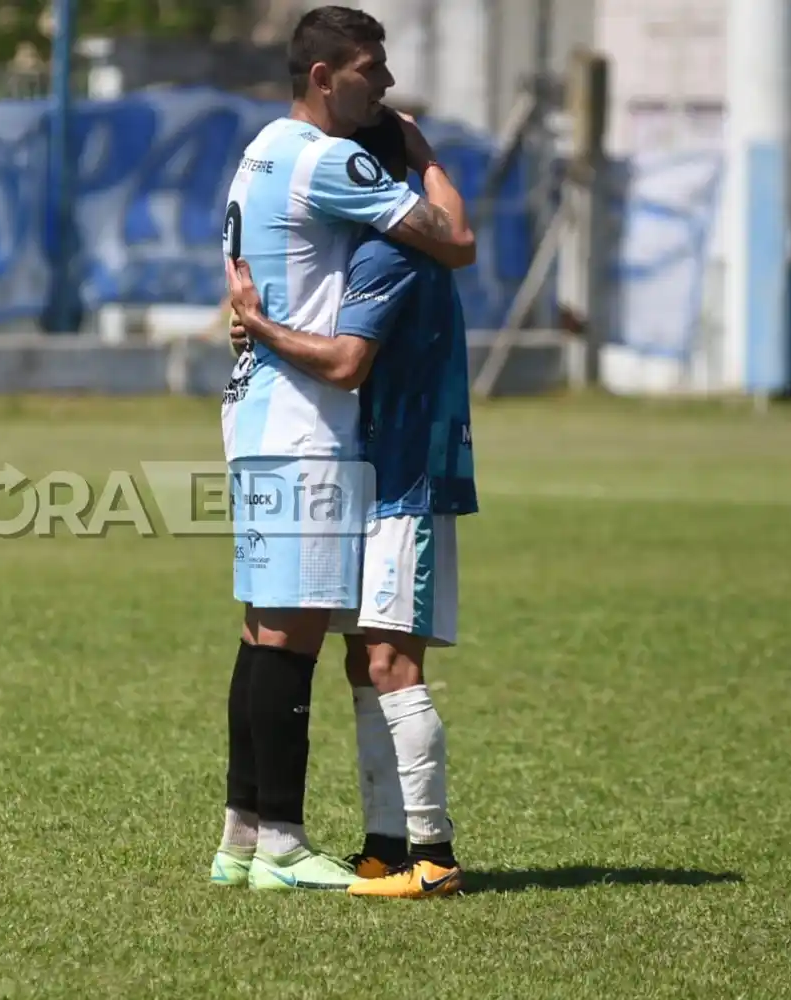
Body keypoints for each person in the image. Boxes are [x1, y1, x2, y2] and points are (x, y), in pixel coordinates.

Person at [211, 5, 476, 893]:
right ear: (325, 78)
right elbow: (454, 241)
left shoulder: (260, 151)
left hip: (253, 417)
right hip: (306, 428)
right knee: (288, 640)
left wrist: (253, 321)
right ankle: (283, 844)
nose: (389, 85)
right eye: (373, 68)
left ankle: (242, 836)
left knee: (261, 632)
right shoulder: (332, 159)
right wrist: (424, 154)